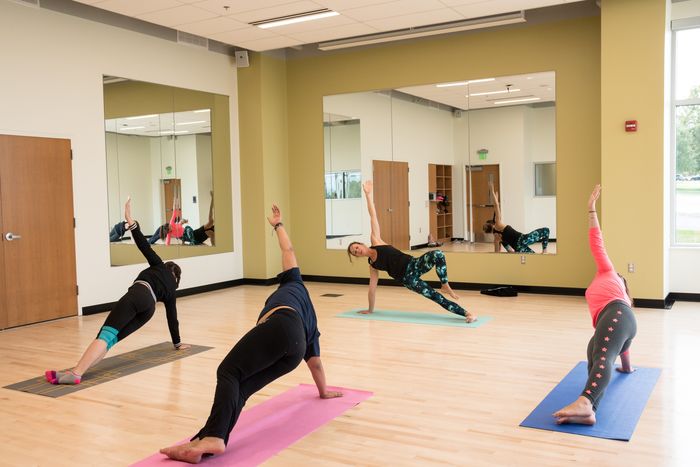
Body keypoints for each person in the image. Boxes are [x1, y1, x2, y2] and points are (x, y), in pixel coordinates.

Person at [160, 205, 342, 463]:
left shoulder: (293, 283)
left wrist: (278, 225)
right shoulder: (311, 319)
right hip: (296, 349)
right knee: (241, 388)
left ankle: (212, 437)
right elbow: (316, 363)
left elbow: (288, 250)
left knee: (228, 371)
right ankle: (206, 441)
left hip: (281, 325)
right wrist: (323, 392)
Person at [45, 197, 190, 385]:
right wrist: (177, 343)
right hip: (148, 310)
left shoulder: (159, 266)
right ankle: (79, 370)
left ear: (168, 267)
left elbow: (143, 245)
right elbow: (173, 317)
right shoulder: (171, 290)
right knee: (111, 340)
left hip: (139, 294)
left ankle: (76, 373)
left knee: (105, 335)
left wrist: (130, 220)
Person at [553, 184, 637, 425]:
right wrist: (627, 368)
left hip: (618, 315)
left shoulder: (608, 272)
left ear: (621, 280)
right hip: (621, 321)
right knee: (594, 353)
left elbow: (596, 242)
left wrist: (591, 210)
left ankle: (585, 400)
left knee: (602, 354)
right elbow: (622, 343)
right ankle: (590, 411)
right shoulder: (616, 294)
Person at [347, 181, 477, 323]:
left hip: (414, 264)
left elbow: (373, 216)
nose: (357, 251)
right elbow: (372, 289)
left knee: (438, 254)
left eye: (356, 247)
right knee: (435, 297)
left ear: (361, 244)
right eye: (354, 252)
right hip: (408, 279)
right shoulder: (373, 265)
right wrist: (370, 309)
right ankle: (467, 314)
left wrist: (367, 195)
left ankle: (444, 284)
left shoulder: (376, 241)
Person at [483, 183, 550, 254]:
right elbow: (496, 206)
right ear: (492, 223)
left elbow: (505, 251)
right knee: (546, 230)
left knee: (534, 257)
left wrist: (516, 252)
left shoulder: (496, 239)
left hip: (518, 249)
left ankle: (538, 253)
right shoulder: (498, 224)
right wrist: (492, 192)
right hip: (524, 239)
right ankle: (544, 250)